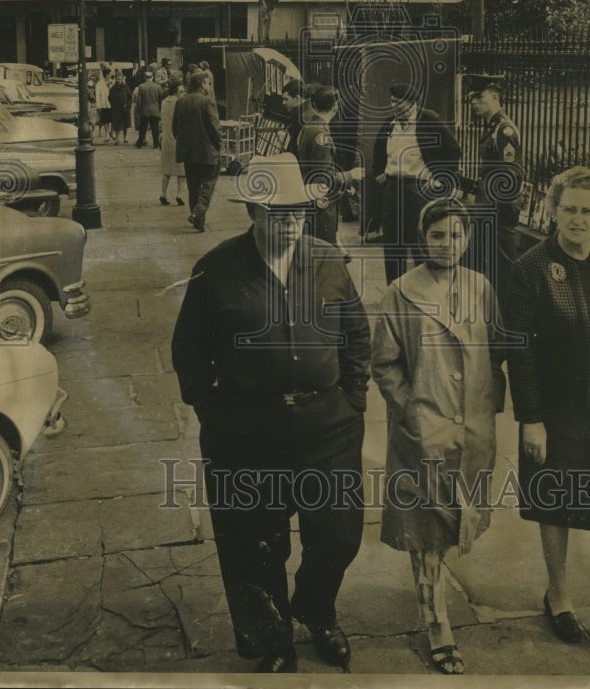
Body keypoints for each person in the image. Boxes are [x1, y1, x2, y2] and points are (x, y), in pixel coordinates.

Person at [172, 152, 371, 674]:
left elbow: (356, 336)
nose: (290, 224)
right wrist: (211, 408)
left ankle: (315, 607)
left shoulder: (329, 262)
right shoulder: (215, 269)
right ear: (253, 214)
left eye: (299, 214)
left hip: (328, 425)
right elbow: (189, 351)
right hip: (246, 431)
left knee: (340, 534)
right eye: (278, 215)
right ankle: (272, 637)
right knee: (254, 542)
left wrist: (353, 399)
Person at [505, 167, 590, 662]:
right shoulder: (531, 267)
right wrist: (531, 417)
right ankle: (558, 595)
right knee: (555, 503)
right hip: (558, 410)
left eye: (588, 210)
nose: (578, 219)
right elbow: (520, 350)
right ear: (551, 210)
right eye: (569, 209)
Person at [372, 197, 506, 675]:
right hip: (423, 428)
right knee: (426, 524)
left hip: (471, 428)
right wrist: (410, 409)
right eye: (436, 235)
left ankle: (433, 594)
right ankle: (437, 622)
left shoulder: (481, 286)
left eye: (456, 235)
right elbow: (384, 362)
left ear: (467, 239)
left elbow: (494, 348)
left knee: (454, 520)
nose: (447, 244)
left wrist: (490, 407)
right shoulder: (400, 292)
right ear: (421, 237)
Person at [372, 82, 462, 285]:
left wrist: (439, 176)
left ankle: (425, 290)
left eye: (398, 102)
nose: (394, 106)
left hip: (418, 191)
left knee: (420, 243)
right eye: (392, 102)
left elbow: (454, 151)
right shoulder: (390, 124)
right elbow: (378, 150)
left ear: (412, 103)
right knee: (393, 245)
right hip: (392, 190)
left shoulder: (429, 120)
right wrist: (378, 171)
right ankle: (394, 291)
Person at [464, 73, 524, 298]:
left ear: (495, 97)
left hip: (497, 215)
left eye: (479, 97)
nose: (474, 103)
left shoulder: (504, 130)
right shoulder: (492, 128)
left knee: (501, 275)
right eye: (471, 99)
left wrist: (492, 205)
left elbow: (511, 173)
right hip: (487, 212)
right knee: (483, 272)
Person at [296, 85, 364, 246]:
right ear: (335, 106)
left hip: (309, 199)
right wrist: (350, 175)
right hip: (321, 205)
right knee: (324, 253)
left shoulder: (308, 127)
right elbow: (323, 178)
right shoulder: (321, 134)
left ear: (313, 104)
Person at [172, 70, 221, 232]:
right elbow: (215, 128)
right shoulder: (207, 102)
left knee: (193, 187)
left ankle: (198, 220)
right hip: (207, 151)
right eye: (208, 83)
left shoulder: (180, 102)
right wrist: (218, 145)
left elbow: (175, 129)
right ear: (201, 84)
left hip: (188, 152)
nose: (209, 86)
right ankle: (198, 212)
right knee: (208, 184)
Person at [159, 78, 187, 206]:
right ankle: (180, 194)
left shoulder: (164, 102)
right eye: (181, 91)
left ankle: (163, 194)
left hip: (166, 141)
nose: (183, 93)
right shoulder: (180, 103)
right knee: (181, 171)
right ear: (176, 91)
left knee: (167, 170)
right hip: (178, 140)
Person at [133, 71, 163, 149]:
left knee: (143, 128)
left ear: (145, 78)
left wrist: (139, 110)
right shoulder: (158, 87)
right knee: (155, 128)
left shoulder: (141, 86)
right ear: (152, 77)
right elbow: (160, 99)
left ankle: (140, 143)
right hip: (155, 109)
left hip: (144, 110)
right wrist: (159, 109)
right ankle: (156, 143)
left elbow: (139, 100)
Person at [281, 78, 309, 157]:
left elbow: (296, 148)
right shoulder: (306, 111)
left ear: (297, 98)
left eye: (286, 99)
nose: (283, 103)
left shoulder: (301, 118)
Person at [108, 70, 132, 145]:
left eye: (120, 79)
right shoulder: (112, 89)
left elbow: (130, 98)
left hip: (124, 109)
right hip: (116, 109)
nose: (119, 81)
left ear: (122, 79)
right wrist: (113, 105)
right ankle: (117, 139)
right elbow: (109, 98)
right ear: (115, 79)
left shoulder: (126, 87)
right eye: (117, 79)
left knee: (125, 124)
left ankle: (125, 137)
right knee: (116, 124)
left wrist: (127, 104)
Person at [94, 66, 113, 143]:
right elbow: (97, 95)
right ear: (106, 75)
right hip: (104, 104)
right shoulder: (99, 84)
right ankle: (107, 134)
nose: (110, 76)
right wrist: (98, 106)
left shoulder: (111, 82)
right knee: (106, 120)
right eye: (109, 74)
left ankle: (111, 133)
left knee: (112, 120)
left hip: (111, 104)